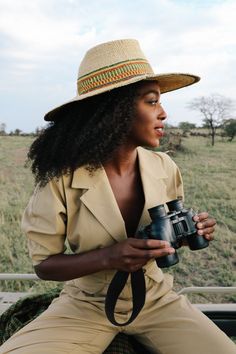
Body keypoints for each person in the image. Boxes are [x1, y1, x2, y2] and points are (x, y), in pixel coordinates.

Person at [0, 39, 235, 354]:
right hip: (86, 304)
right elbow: (45, 265)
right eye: (151, 102)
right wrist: (108, 257)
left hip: (157, 300)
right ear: (115, 111)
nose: (163, 113)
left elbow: (169, 235)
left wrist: (190, 230)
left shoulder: (164, 167)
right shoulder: (61, 179)